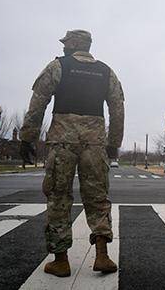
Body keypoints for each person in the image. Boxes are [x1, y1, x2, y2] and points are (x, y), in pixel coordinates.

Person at [20, 29, 124, 277]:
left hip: (62, 142)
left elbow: (38, 103)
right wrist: (113, 143)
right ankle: (102, 255)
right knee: (98, 196)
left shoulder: (58, 66)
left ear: (71, 45)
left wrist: (28, 137)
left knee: (58, 196)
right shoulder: (106, 71)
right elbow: (117, 108)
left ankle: (61, 260)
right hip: (95, 143)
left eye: (66, 44)